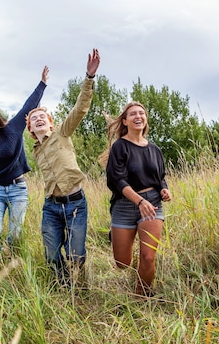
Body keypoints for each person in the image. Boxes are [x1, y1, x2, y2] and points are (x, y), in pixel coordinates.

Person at [26, 48, 100, 287]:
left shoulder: (62, 133)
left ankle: (80, 279)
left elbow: (80, 109)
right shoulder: (36, 150)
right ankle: (64, 286)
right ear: (30, 130)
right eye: (33, 118)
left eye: (42, 116)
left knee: (75, 254)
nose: (38, 118)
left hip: (75, 203)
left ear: (50, 122)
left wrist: (89, 78)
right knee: (52, 255)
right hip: (51, 207)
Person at [0, 66, 49, 250]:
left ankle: (11, 263)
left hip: (18, 189)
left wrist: (42, 84)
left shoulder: (11, 130)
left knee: (15, 235)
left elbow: (28, 107)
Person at [101, 101, 172, 297]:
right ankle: (118, 236)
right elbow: (116, 180)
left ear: (145, 119)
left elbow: (161, 177)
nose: (138, 116)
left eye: (142, 113)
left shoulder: (155, 149)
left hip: (152, 204)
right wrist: (138, 200)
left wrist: (165, 190)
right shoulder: (120, 147)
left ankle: (142, 298)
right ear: (125, 121)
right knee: (122, 263)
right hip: (125, 204)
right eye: (133, 114)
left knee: (148, 257)